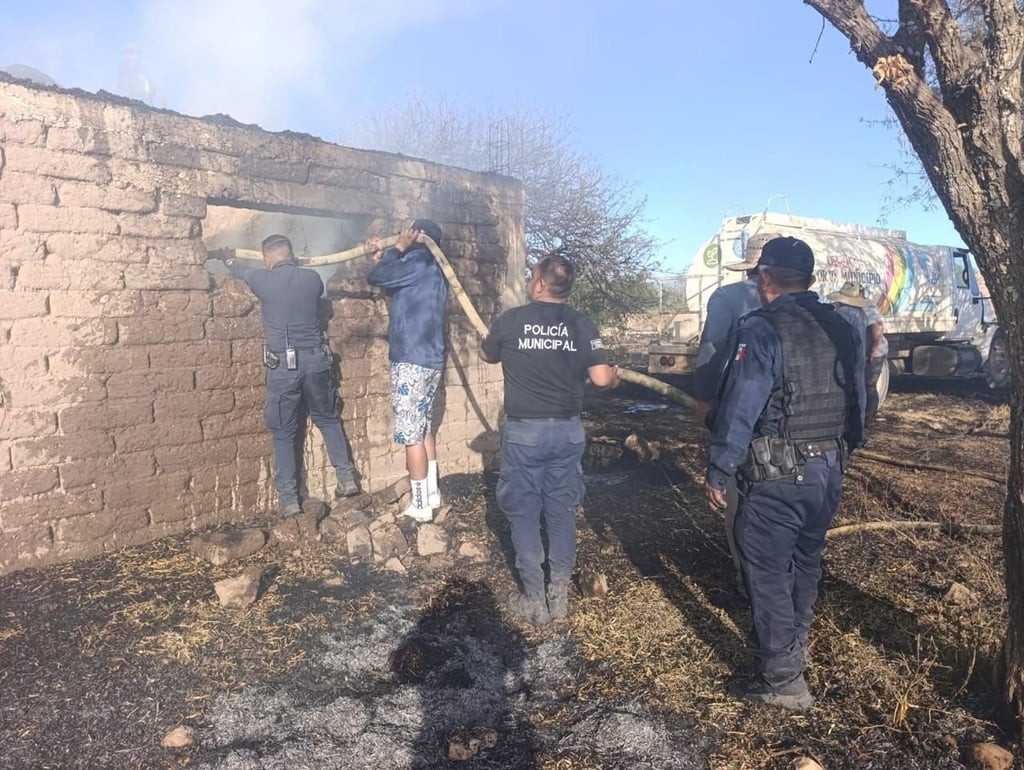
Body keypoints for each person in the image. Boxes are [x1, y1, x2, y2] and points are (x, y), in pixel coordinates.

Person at [703, 236, 865, 711]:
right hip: (827, 469)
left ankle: (783, 681)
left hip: (776, 475)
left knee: (769, 572)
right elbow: (859, 397)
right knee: (806, 560)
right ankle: (793, 649)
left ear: (766, 278)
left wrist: (718, 469)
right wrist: (845, 453)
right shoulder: (843, 325)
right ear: (809, 281)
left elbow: (740, 406)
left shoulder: (761, 329)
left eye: (757, 276)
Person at [480, 251, 620, 626]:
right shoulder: (580, 324)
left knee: (524, 514)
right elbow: (603, 379)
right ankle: (558, 596)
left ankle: (534, 600)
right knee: (560, 513)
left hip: (525, 435)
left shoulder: (511, 321)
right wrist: (615, 375)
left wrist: (495, 338)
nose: (529, 280)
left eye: (531, 275)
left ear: (539, 282)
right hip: (567, 433)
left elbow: (487, 354)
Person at [221, 234, 360, 517]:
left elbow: (239, 270)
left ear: (267, 259)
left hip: (285, 366)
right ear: (292, 255)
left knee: (283, 433)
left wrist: (229, 259)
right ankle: (347, 479)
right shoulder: (312, 279)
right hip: (317, 361)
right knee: (328, 419)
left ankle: (289, 500)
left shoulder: (262, 280)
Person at [694, 235, 768, 597]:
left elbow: (711, 352)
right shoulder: (813, 309)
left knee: (738, 496)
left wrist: (704, 399)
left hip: (738, 409)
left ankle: (746, 577)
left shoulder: (729, 298)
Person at [366, 220, 449, 523]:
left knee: (411, 435)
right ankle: (432, 492)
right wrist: (383, 256)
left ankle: (420, 506)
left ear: (416, 237)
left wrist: (397, 249)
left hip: (411, 358)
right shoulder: (437, 268)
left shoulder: (416, 261)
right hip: (431, 357)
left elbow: (376, 277)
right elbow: (391, 282)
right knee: (423, 426)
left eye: (407, 232)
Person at [827, 281, 888, 418]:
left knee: (868, 384)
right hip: (861, 350)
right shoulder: (851, 310)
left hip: (872, 350)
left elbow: (877, 327)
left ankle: (869, 414)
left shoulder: (863, 309)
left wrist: (872, 350)